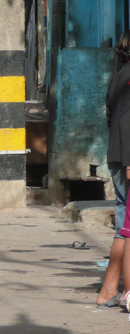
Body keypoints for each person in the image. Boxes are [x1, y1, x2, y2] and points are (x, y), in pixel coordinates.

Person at [100, 31, 130, 309]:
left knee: (124, 226)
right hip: (125, 159)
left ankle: (110, 291)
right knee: (126, 229)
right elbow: (125, 121)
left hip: (117, 155)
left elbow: (111, 119)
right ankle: (118, 292)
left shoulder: (117, 78)